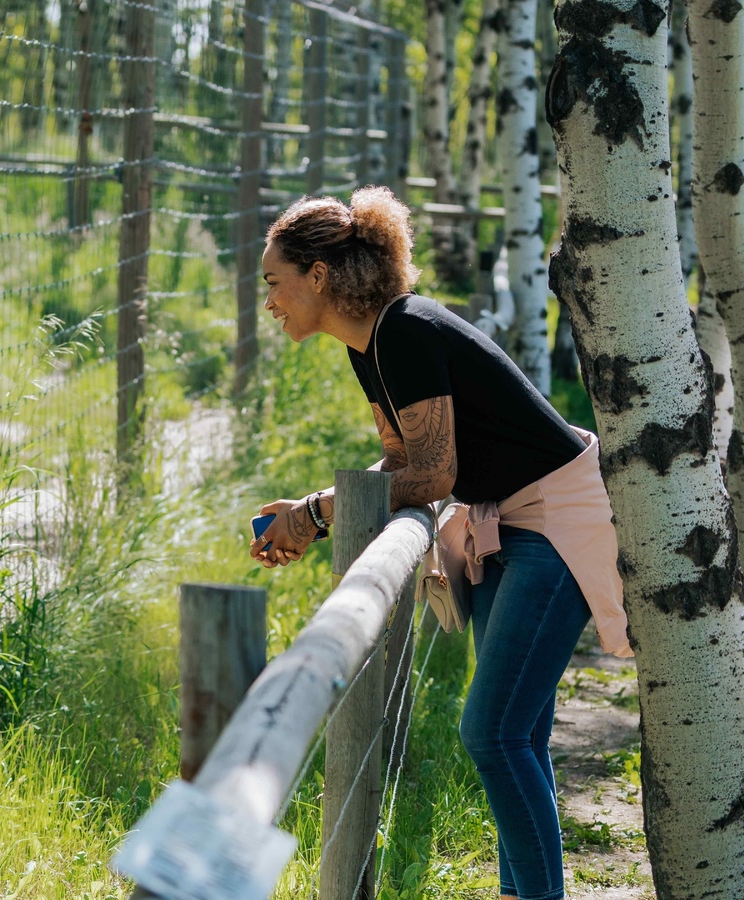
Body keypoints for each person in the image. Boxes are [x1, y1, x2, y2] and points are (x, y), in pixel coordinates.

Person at [249, 186, 630, 900]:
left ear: (319, 276)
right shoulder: (372, 345)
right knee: (518, 734)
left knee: (493, 733)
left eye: (274, 281)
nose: (268, 300)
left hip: (557, 515)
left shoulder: (404, 333)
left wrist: (316, 513)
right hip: (505, 517)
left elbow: (434, 472)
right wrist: (309, 510)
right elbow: (401, 463)